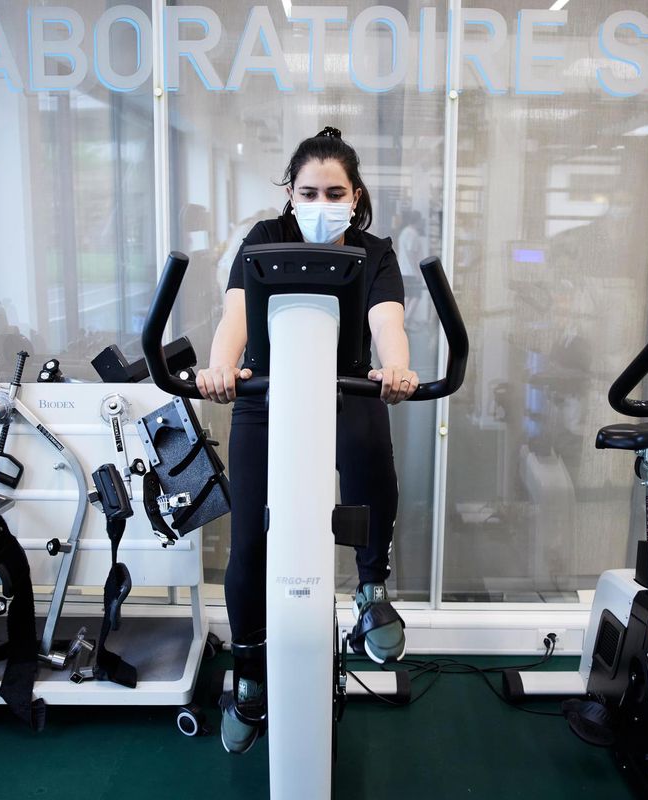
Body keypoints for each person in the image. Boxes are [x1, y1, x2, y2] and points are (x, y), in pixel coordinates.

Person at [196, 127, 418, 754]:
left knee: (373, 451)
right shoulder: (264, 240)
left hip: (345, 388)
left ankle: (371, 587)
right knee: (249, 542)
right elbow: (235, 316)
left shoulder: (375, 251)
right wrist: (219, 366)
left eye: (335, 192)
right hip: (266, 396)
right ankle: (248, 673)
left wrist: (395, 366)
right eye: (309, 192)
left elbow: (386, 321)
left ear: (355, 196)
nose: (322, 203)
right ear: (290, 196)